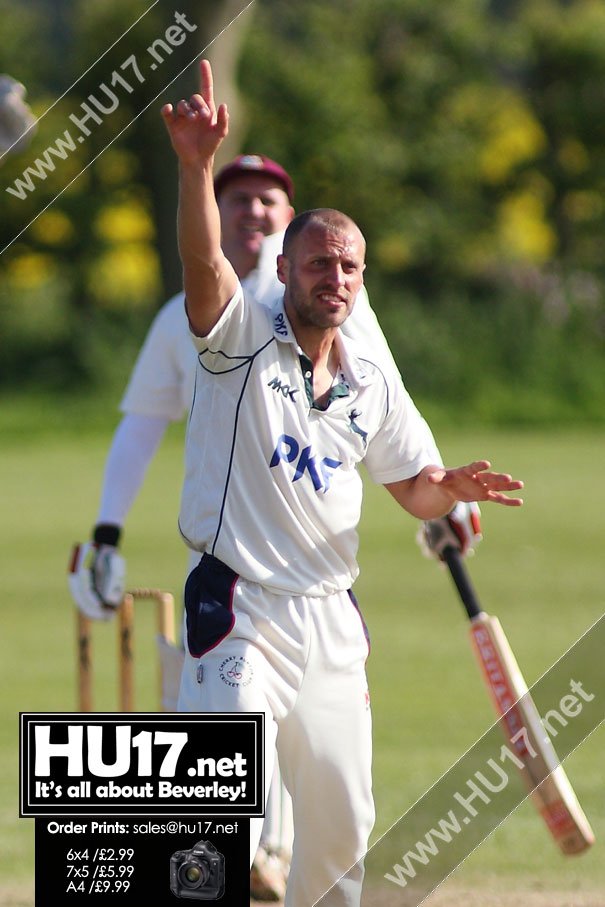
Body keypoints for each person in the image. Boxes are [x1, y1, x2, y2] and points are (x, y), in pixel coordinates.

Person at [160, 60, 523, 907]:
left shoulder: (370, 379)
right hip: (237, 603)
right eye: (318, 261)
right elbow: (203, 266)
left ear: (362, 280)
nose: (336, 276)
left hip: (330, 614)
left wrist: (449, 483)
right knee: (215, 805)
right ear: (284, 269)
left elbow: (413, 487)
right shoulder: (238, 338)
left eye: (349, 266)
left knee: (343, 825)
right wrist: (193, 168)